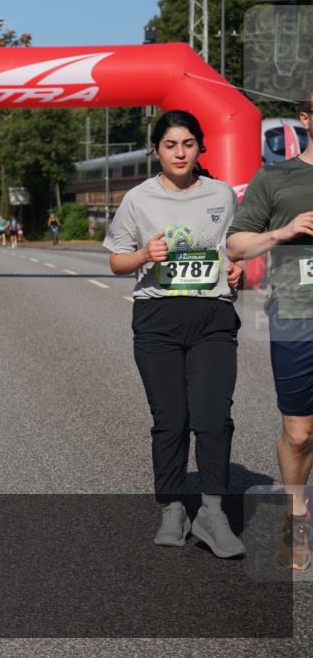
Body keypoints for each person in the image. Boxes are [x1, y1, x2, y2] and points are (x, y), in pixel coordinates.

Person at [104, 109, 245, 558]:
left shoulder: (222, 194)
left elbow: (234, 250)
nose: (179, 153)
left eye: (187, 144)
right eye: (170, 145)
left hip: (213, 318)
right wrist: (145, 254)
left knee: (213, 418)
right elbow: (117, 260)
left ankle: (213, 513)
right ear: (156, 151)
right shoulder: (138, 199)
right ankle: (172, 508)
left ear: (200, 147)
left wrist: (237, 269)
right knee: (171, 421)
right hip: (157, 320)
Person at [227, 91, 313, 570]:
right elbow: (236, 245)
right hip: (297, 316)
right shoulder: (276, 177)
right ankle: (295, 513)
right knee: (299, 434)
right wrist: (283, 232)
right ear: (306, 118)